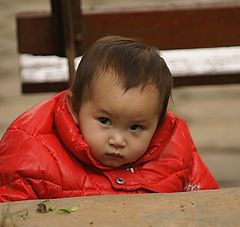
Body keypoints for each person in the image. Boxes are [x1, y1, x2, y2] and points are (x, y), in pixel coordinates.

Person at [0, 36, 218, 202]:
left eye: (135, 127)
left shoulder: (174, 144)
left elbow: (205, 205)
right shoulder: (31, 155)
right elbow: (13, 221)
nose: (117, 140)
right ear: (75, 108)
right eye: (104, 121)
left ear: (158, 125)